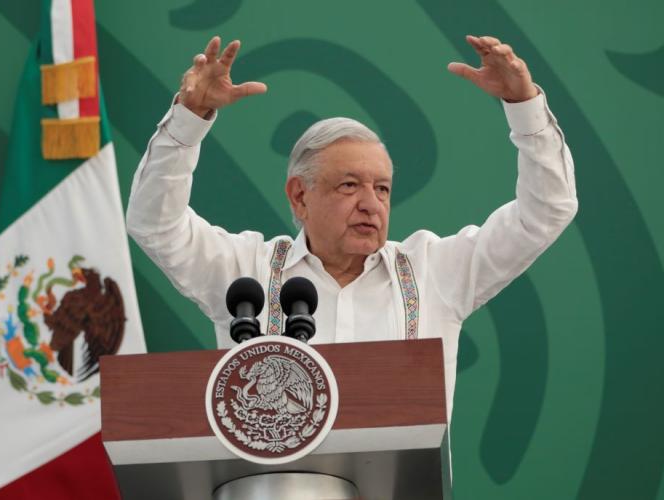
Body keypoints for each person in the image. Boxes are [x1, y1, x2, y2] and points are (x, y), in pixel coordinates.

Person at [126, 35, 577, 419]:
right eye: (348, 185)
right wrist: (189, 119)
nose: (370, 204)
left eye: (382, 189)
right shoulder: (245, 273)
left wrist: (524, 106)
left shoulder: (435, 270)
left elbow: (547, 211)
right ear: (300, 196)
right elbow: (154, 223)